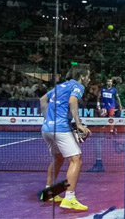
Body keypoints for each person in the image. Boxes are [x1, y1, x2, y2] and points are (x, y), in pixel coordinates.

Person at [40, 64, 92, 211]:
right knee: (76, 160)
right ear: (82, 76)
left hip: (46, 129)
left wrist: (47, 119)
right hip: (61, 129)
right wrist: (79, 124)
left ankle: (49, 193)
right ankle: (69, 199)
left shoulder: (61, 86)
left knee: (58, 158)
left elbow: (42, 100)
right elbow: (72, 101)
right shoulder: (78, 86)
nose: (89, 79)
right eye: (88, 76)